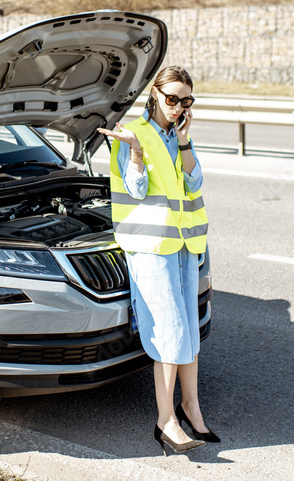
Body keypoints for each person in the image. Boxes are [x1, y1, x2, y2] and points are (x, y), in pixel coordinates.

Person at [97, 65, 219, 456]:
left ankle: (191, 407)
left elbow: (195, 181)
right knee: (168, 332)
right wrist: (133, 151)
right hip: (150, 249)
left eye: (186, 100)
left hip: (183, 244)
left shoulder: (178, 135)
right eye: (171, 99)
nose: (178, 107)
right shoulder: (135, 134)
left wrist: (184, 142)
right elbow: (134, 189)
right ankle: (165, 420)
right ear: (155, 95)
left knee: (188, 331)